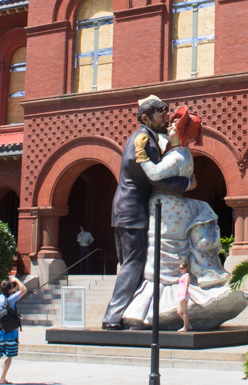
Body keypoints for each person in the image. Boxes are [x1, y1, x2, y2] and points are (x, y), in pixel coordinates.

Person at [120, 107, 247, 329]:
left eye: (172, 126)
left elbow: (155, 174)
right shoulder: (180, 153)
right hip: (170, 207)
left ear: (179, 134)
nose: (168, 127)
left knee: (161, 258)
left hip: (166, 209)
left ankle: (151, 312)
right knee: (166, 256)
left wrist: (141, 154)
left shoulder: (178, 155)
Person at [101, 95, 191, 330]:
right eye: (161, 115)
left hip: (127, 211)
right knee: (133, 263)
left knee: (133, 263)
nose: (166, 119)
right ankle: (112, 316)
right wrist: (187, 183)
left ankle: (129, 314)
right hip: (132, 212)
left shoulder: (150, 138)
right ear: (145, 118)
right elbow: (155, 179)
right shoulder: (143, 140)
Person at [0, 275, 27, 385]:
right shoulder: (11, 298)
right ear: (10, 290)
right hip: (12, 332)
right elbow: (24, 289)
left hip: (1, 331)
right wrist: (17, 280)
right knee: (9, 356)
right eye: (12, 288)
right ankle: (2, 379)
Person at [175, 260, 193, 332]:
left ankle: (185, 327)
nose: (180, 270)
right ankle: (188, 324)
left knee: (184, 312)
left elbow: (186, 285)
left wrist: (184, 295)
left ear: (186, 268)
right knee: (179, 312)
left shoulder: (187, 275)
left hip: (184, 294)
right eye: (179, 268)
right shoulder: (183, 275)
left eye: (182, 268)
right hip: (181, 294)